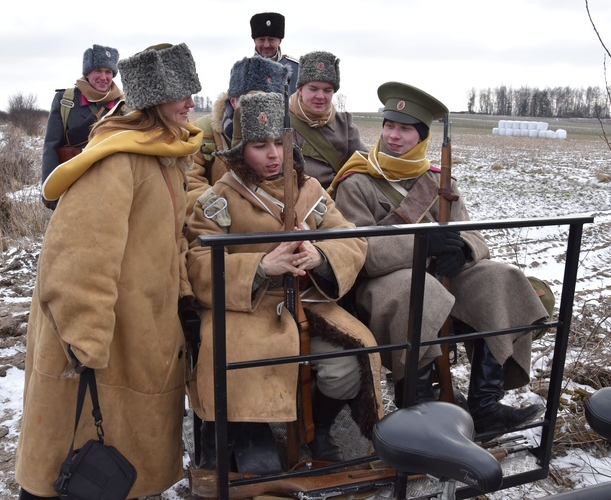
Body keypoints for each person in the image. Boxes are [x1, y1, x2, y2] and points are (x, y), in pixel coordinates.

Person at [15, 42, 203, 499]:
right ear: (155, 101)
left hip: (138, 334)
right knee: (70, 464)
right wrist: (86, 345)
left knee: (115, 470)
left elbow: (170, 238)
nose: (191, 103)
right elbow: (78, 258)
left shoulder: (164, 156)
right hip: (100, 345)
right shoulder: (118, 161)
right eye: (181, 93)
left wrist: (182, 300)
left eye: (192, 92)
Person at [330, 81, 547, 438]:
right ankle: (417, 407)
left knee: (500, 278)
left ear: (422, 136)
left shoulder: (439, 179)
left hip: (441, 272)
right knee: (420, 290)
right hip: (383, 281)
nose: (394, 136)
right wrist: (422, 244)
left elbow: (471, 232)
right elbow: (357, 251)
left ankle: (485, 406)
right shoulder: (357, 182)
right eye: (389, 126)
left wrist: (462, 249)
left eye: (405, 129)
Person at [185, 92, 382, 468]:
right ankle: (248, 432)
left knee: (349, 363)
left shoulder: (309, 191)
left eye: (280, 143)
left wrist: (320, 256)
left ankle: (316, 428)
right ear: (242, 151)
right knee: (240, 356)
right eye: (260, 146)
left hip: (308, 303)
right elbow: (196, 262)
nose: (274, 154)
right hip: (246, 308)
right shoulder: (219, 199)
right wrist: (260, 266)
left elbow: (351, 239)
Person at [186, 55, 289, 212]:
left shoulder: (285, 132)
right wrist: (228, 208)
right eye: (251, 99)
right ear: (233, 101)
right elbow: (190, 185)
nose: (260, 109)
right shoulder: (203, 131)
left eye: (269, 101)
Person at [40, 44, 123, 210]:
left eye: (108, 72)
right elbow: (51, 146)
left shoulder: (124, 104)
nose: (103, 77)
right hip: (74, 182)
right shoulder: (66, 100)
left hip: (113, 184)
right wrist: (49, 188)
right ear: (87, 73)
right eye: (98, 71)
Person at [290, 50, 366, 190]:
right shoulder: (284, 121)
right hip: (301, 196)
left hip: (339, 195)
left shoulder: (344, 124)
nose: (320, 96)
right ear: (300, 89)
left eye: (327, 90)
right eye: (313, 89)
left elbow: (364, 161)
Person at [244, 12, 299, 88]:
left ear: (280, 41)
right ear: (254, 41)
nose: (266, 45)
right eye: (261, 40)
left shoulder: (297, 68)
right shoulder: (243, 69)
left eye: (271, 40)